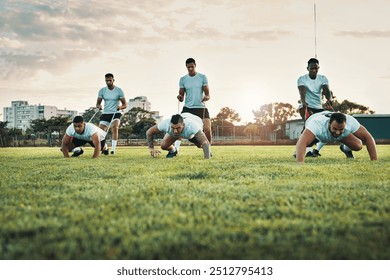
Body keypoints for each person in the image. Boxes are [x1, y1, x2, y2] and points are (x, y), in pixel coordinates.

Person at [295, 111, 377, 163]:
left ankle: (345, 149)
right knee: (306, 143)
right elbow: (301, 142)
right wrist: (300, 163)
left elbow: (368, 137)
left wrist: (374, 161)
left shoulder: (350, 122)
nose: (338, 132)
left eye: (341, 129)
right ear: (329, 124)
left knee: (358, 146)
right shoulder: (316, 124)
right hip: (318, 134)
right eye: (335, 128)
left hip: (340, 134)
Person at [297, 58, 333, 157]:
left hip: (318, 107)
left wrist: (329, 99)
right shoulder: (302, 79)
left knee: (324, 128)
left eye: (316, 68)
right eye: (311, 68)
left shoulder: (323, 78)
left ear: (318, 68)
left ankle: (314, 150)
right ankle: (307, 151)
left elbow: (326, 90)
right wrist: (304, 103)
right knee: (308, 127)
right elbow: (302, 92)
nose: (314, 70)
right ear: (307, 68)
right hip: (306, 107)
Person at [146, 113, 211, 159]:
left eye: (178, 128)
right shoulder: (165, 124)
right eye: (173, 128)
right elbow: (149, 132)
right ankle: (174, 151)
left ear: (183, 125)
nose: (175, 131)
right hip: (177, 132)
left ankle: (208, 151)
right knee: (164, 146)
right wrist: (151, 148)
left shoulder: (192, 126)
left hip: (191, 134)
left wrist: (206, 158)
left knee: (200, 145)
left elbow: (205, 142)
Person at [177, 58, 212, 143]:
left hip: (200, 107)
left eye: (192, 67)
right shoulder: (183, 79)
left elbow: (207, 94)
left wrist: (206, 97)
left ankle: (208, 149)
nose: (190, 69)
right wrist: (180, 97)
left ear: (195, 65)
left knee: (207, 129)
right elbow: (181, 96)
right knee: (178, 128)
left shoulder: (202, 77)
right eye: (188, 67)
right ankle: (175, 150)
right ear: (186, 67)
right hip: (188, 108)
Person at [96, 73, 127, 155]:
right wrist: (99, 106)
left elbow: (125, 105)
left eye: (110, 80)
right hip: (105, 113)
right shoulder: (102, 90)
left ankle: (113, 150)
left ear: (113, 80)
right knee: (101, 132)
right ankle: (105, 147)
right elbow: (97, 103)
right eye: (107, 81)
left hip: (116, 112)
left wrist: (120, 107)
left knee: (115, 127)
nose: (108, 82)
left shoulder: (119, 90)